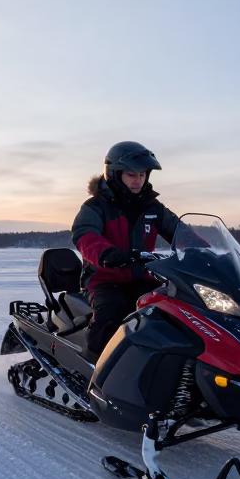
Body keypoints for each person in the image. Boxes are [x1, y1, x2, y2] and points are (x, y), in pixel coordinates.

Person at [71, 141, 180, 362]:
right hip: (104, 279)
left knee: (177, 311)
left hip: (144, 279)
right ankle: (92, 371)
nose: (138, 180)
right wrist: (107, 254)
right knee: (111, 313)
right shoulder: (96, 206)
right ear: (114, 174)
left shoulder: (152, 208)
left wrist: (207, 252)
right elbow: (85, 234)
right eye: (131, 174)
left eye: (142, 174)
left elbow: (181, 232)